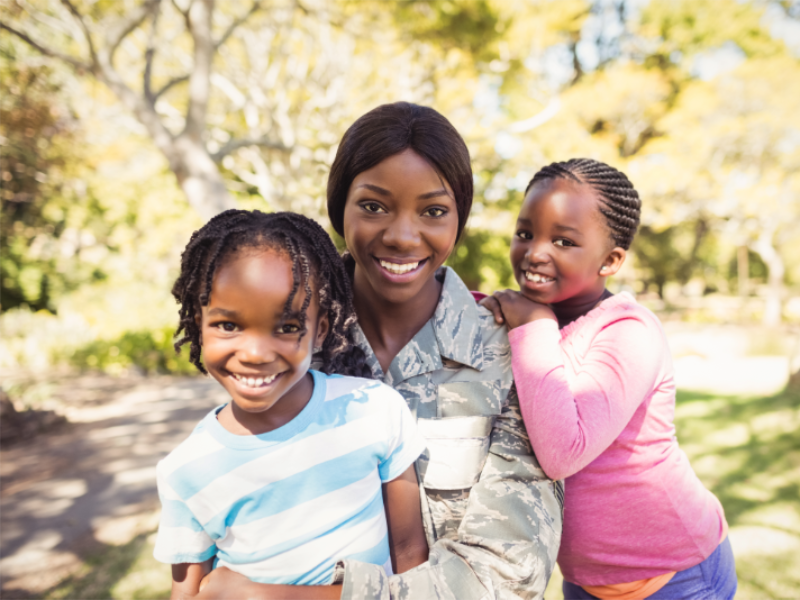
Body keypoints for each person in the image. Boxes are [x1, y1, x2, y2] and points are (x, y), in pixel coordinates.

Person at [199, 103, 563, 599]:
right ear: (339, 208)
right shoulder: (289, 345)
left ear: (459, 219)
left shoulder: (506, 355)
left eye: (433, 211)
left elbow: (506, 578)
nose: (401, 236)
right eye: (373, 206)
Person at [481, 158, 737, 600]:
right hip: (583, 580)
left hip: (675, 575)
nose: (536, 251)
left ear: (611, 260)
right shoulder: (524, 317)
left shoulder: (628, 331)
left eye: (563, 240)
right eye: (525, 233)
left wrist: (534, 323)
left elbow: (564, 451)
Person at [154, 210, 429, 599]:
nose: (254, 353)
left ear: (320, 331)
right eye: (228, 325)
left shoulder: (375, 411)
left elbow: (410, 560)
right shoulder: (186, 471)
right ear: (198, 323)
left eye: (287, 327)